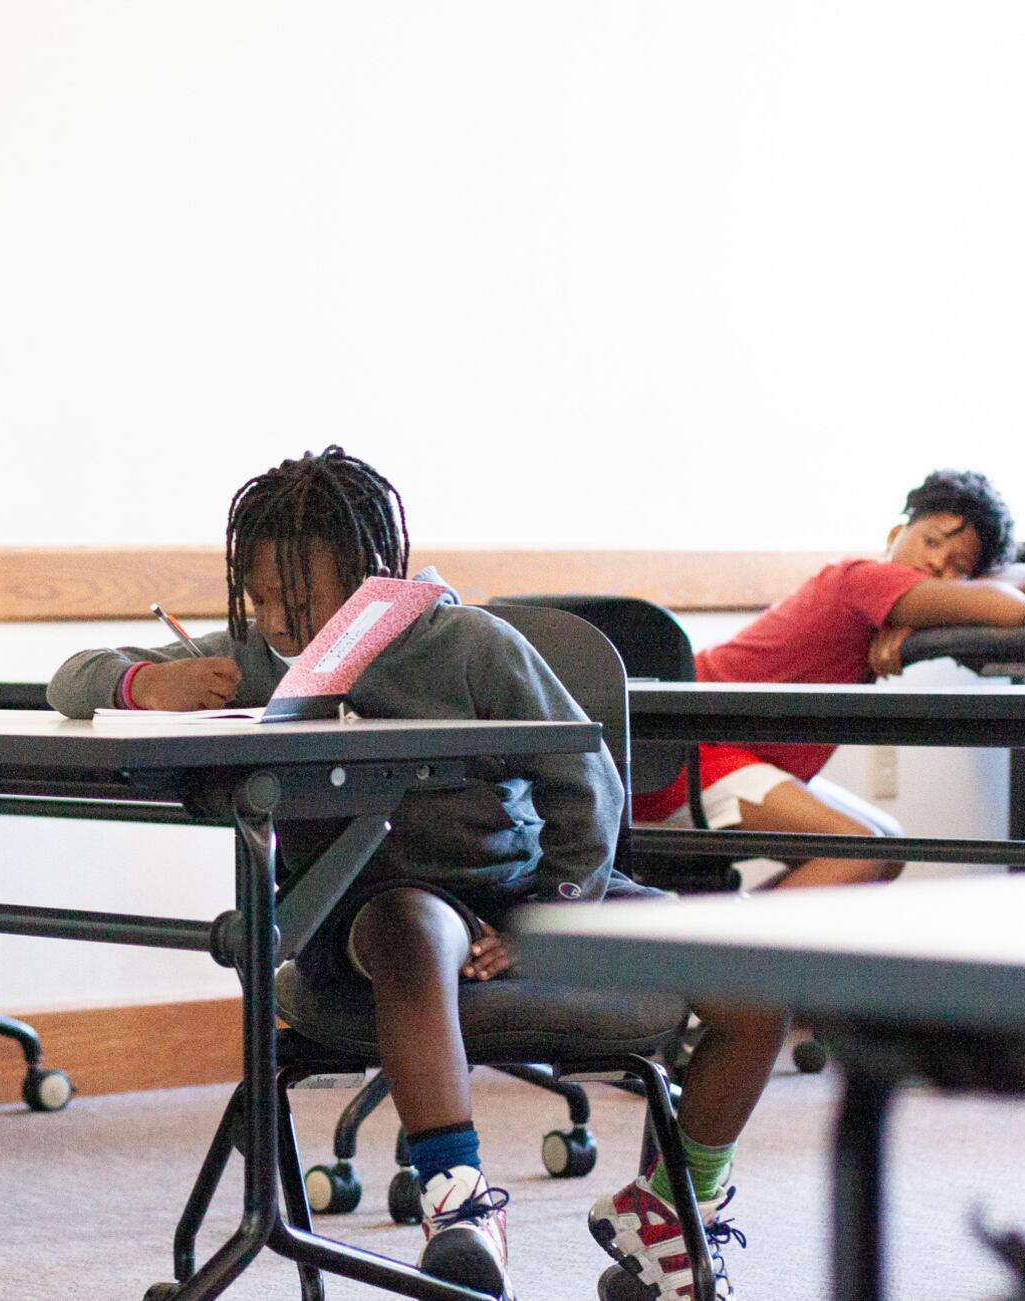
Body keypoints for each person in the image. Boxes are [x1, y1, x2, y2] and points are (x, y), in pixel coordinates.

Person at [48, 446, 782, 1299]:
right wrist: (149, 683)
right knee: (414, 923)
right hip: (369, 914)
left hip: (522, 889)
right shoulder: (254, 656)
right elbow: (70, 679)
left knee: (758, 980)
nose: (278, 621)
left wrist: (551, 910)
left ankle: (669, 1208)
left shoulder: (470, 644)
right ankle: (458, 1200)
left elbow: (584, 780)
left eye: (296, 595)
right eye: (259, 599)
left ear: (369, 572)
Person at [632, 469, 1025, 891]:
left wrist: (925, 615)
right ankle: (726, 953)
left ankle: (729, 937)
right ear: (895, 536)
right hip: (686, 751)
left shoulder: (887, 600)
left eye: (956, 566)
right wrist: (957, 597)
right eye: (930, 541)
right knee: (861, 850)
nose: (934, 563)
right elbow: (1012, 608)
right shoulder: (863, 579)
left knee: (888, 847)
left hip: (721, 749)